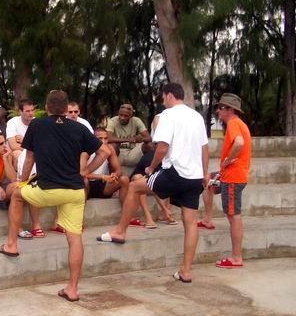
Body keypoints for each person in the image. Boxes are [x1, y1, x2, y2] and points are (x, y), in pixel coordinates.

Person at [0, 90, 108, 303]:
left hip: (47, 189)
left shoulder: (37, 125)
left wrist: (22, 181)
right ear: (66, 109)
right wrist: (85, 172)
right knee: (74, 238)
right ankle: (72, 289)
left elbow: (29, 158)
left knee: (16, 195)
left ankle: (11, 244)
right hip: (75, 191)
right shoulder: (78, 127)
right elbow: (105, 152)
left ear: (46, 107)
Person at [98, 83, 209, 284]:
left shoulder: (167, 115)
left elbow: (162, 147)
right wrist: (205, 173)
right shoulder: (197, 117)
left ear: (169, 95)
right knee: (190, 221)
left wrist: (151, 168)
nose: (162, 101)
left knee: (134, 187)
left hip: (174, 172)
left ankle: (120, 232)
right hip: (194, 176)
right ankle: (185, 271)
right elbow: (204, 148)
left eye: (163, 97)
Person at [198, 93, 251, 269]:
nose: (218, 111)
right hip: (230, 175)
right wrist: (222, 170)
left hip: (234, 178)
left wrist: (227, 161)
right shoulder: (237, 124)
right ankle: (207, 220)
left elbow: (239, 143)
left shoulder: (234, 123)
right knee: (208, 181)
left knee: (233, 216)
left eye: (221, 108)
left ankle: (236, 258)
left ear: (230, 110)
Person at [86, 128, 130, 202]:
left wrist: (114, 175)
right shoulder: (86, 149)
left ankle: (125, 209)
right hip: (86, 183)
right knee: (84, 181)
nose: (103, 141)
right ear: (93, 139)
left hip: (101, 183)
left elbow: (118, 170)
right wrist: (103, 176)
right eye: (100, 138)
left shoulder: (109, 148)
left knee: (124, 179)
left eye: (105, 138)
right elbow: (82, 173)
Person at [6, 99, 35, 167]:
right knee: (17, 153)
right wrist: (32, 145)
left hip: (32, 153)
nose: (31, 113)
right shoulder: (13, 122)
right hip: (19, 153)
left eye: (32, 110)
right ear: (20, 112)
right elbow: (13, 146)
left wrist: (24, 141)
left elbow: (41, 145)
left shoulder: (37, 122)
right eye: (27, 111)